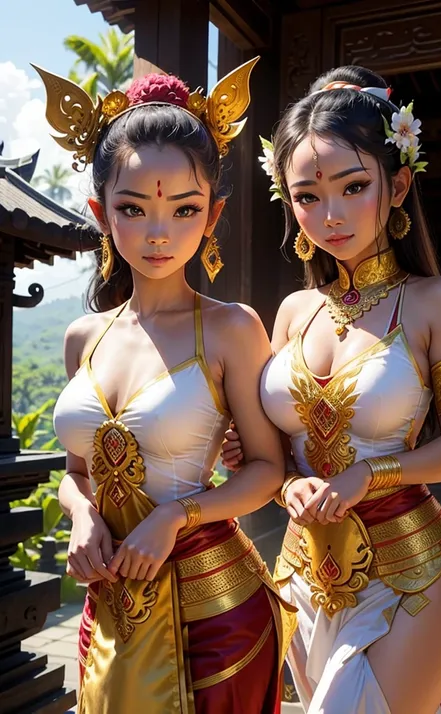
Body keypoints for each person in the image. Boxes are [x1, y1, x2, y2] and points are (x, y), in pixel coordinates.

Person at [34, 60, 296, 714]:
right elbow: (76, 471)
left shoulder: (233, 329)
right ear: (101, 212)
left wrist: (178, 514)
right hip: (111, 611)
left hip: (215, 617)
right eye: (133, 208)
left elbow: (267, 469)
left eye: (184, 209)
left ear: (213, 216)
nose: (158, 232)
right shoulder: (81, 337)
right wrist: (81, 516)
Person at [222, 65, 441, 714]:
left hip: (410, 577)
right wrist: (280, 481)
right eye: (306, 196)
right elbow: (268, 457)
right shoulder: (290, 313)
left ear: (397, 186)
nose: (329, 216)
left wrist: (370, 473)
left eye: (352, 187)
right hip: (304, 575)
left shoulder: (435, 302)